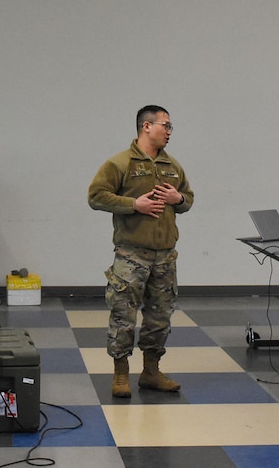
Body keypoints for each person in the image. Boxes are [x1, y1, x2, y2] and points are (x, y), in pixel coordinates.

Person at [88, 105, 194, 398]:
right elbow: (96, 196)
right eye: (165, 125)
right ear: (146, 126)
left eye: (171, 127)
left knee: (160, 318)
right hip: (132, 255)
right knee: (123, 316)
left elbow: (188, 200)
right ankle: (121, 374)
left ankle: (150, 371)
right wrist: (135, 205)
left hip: (165, 255)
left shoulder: (173, 166)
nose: (170, 132)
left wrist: (178, 197)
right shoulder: (120, 163)